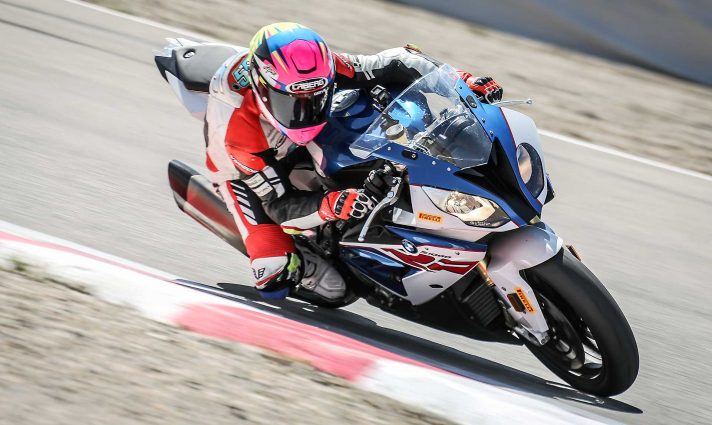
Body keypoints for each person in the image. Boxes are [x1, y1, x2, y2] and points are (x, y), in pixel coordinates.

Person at [204, 22, 503, 303]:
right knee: (283, 275)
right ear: (263, 89)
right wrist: (330, 206)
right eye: (293, 102)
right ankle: (306, 254)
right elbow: (279, 205)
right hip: (245, 171)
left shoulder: (322, 68)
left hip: (301, 139)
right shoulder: (238, 134)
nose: (306, 109)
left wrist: (463, 81)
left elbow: (397, 62)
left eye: (316, 96)